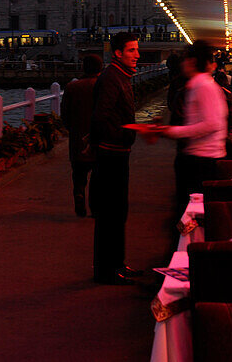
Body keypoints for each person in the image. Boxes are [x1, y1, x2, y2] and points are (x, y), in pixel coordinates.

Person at [148, 41, 228, 212]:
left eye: (184, 60)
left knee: (193, 213)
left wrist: (174, 131)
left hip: (202, 160)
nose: (182, 64)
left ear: (192, 61)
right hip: (198, 157)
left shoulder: (204, 87)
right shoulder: (199, 85)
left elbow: (212, 123)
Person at [90, 31, 141, 285]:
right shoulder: (112, 78)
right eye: (131, 50)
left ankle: (117, 264)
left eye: (136, 50)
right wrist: (125, 133)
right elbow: (101, 118)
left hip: (119, 153)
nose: (137, 55)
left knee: (118, 211)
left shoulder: (121, 77)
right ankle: (107, 270)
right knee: (110, 213)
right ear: (117, 53)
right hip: (111, 156)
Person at [61, 53, 103, 217]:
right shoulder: (103, 85)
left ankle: (79, 196)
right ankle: (95, 207)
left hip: (78, 138)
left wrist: (72, 128)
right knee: (98, 176)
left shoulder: (73, 87)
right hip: (99, 138)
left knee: (78, 174)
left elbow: (65, 114)